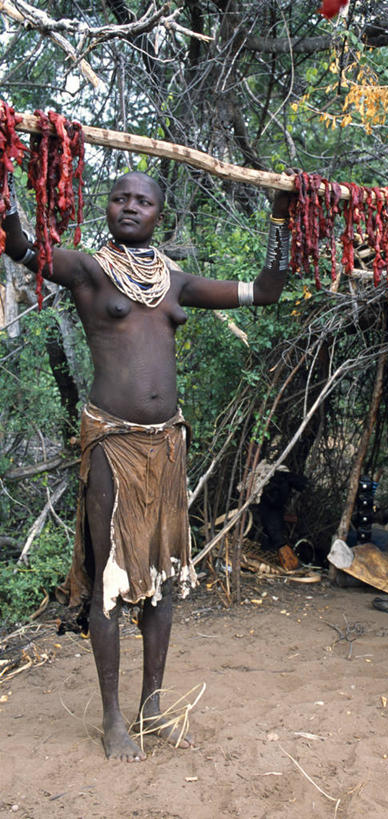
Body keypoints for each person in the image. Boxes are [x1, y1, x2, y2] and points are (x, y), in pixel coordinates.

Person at [2, 169, 295, 761]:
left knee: (162, 580)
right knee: (110, 579)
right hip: (112, 442)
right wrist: (5, 179)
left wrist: (281, 221)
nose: (130, 207)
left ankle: (152, 707)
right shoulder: (88, 270)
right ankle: (113, 718)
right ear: (107, 208)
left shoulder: (175, 283)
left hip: (167, 445)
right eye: (119, 198)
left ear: (161, 214)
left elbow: (266, 291)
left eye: (143, 201)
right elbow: (19, 247)